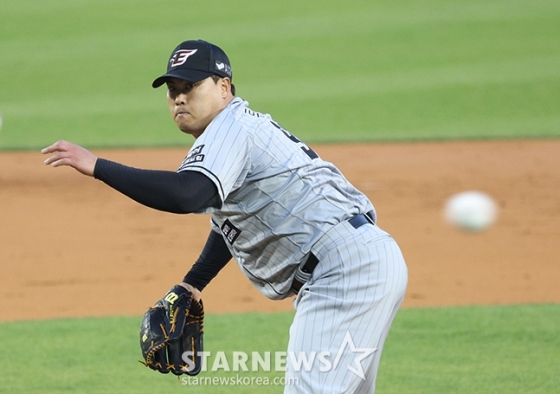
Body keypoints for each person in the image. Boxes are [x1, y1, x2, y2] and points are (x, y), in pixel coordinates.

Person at [42, 39, 408, 393]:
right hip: (359, 262)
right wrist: (193, 282)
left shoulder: (230, 129)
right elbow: (230, 220)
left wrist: (97, 166)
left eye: (191, 85)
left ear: (223, 87)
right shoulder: (234, 130)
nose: (180, 97)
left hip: (343, 273)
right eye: (172, 89)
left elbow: (188, 194)